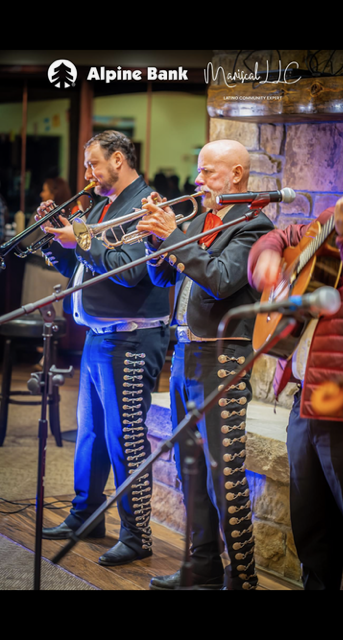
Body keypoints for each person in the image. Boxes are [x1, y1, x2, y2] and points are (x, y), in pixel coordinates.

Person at [136, 139, 274, 590]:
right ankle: (200, 568)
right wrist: (158, 241)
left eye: (207, 172)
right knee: (188, 468)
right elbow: (163, 276)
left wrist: (175, 234)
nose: (197, 180)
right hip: (183, 358)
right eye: (198, 171)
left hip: (222, 362)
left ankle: (243, 579)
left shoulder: (255, 225)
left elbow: (219, 280)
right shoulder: (200, 219)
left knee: (225, 478)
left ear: (236, 174)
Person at [36, 130, 170, 567]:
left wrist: (85, 240)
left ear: (118, 159)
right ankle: (85, 517)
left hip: (131, 338)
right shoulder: (103, 205)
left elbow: (130, 273)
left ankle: (136, 536)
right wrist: (58, 244)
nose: (88, 173)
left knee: (124, 440)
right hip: (99, 336)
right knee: (91, 436)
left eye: (94, 164)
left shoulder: (147, 205)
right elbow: (83, 266)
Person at [247, 135, 343, 590]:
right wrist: (268, 256)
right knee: (312, 532)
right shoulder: (331, 218)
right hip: (303, 398)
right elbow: (281, 235)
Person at [20, 177, 72, 319]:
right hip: (59, 275)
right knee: (53, 318)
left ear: (54, 194)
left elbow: (26, 241)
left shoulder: (41, 213)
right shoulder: (71, 213)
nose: (41, 195)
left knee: (33, 317)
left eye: (44, 191)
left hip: (38, 271)